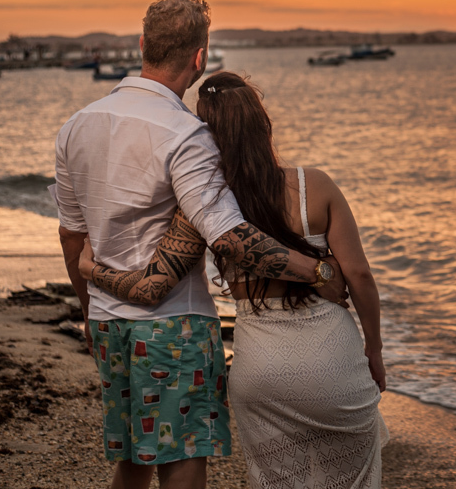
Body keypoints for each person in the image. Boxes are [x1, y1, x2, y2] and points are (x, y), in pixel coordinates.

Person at [55, 0, 347, 489]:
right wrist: (315, 270)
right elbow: (229, 237)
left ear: (143, 44)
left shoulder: (77, 126)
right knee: (185, 455)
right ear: (199, 58)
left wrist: (88, 310)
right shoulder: (186, 134)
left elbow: (71, 234)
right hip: (174, 327)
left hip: (108, 323)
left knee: (132, 458)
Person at [80, 70, 389, 489]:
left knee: (280, 480)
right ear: (265, 124)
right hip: (333, 360)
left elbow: (151, 287)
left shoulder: (204, 207)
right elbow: (360, 276)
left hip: (259, 369)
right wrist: (374, 349)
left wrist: (91, 270)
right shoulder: (314, 185)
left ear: (208, 136)